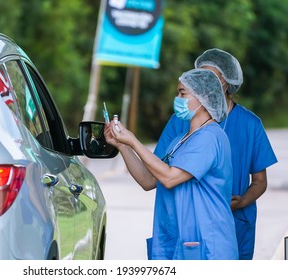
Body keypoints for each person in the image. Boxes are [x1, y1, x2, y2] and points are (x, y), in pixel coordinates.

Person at [154, 48, 278, 260]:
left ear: (226, 83)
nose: (203, 81)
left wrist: (241, 202)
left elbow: (260, 180)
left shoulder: (249, 125)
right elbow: (158, 172)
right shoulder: (180, 122)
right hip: (188, 223)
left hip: (236, 220)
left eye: (211, 77)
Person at [105, 68, 238, 260]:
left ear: (204, 98)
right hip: (176, 240)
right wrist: (122, 145)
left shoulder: (210, 137)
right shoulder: (180, 140)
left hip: (207, 245)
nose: (178, 98)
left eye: (183, 93)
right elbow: (148, 180)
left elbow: (170, 177)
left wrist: (134, 140)